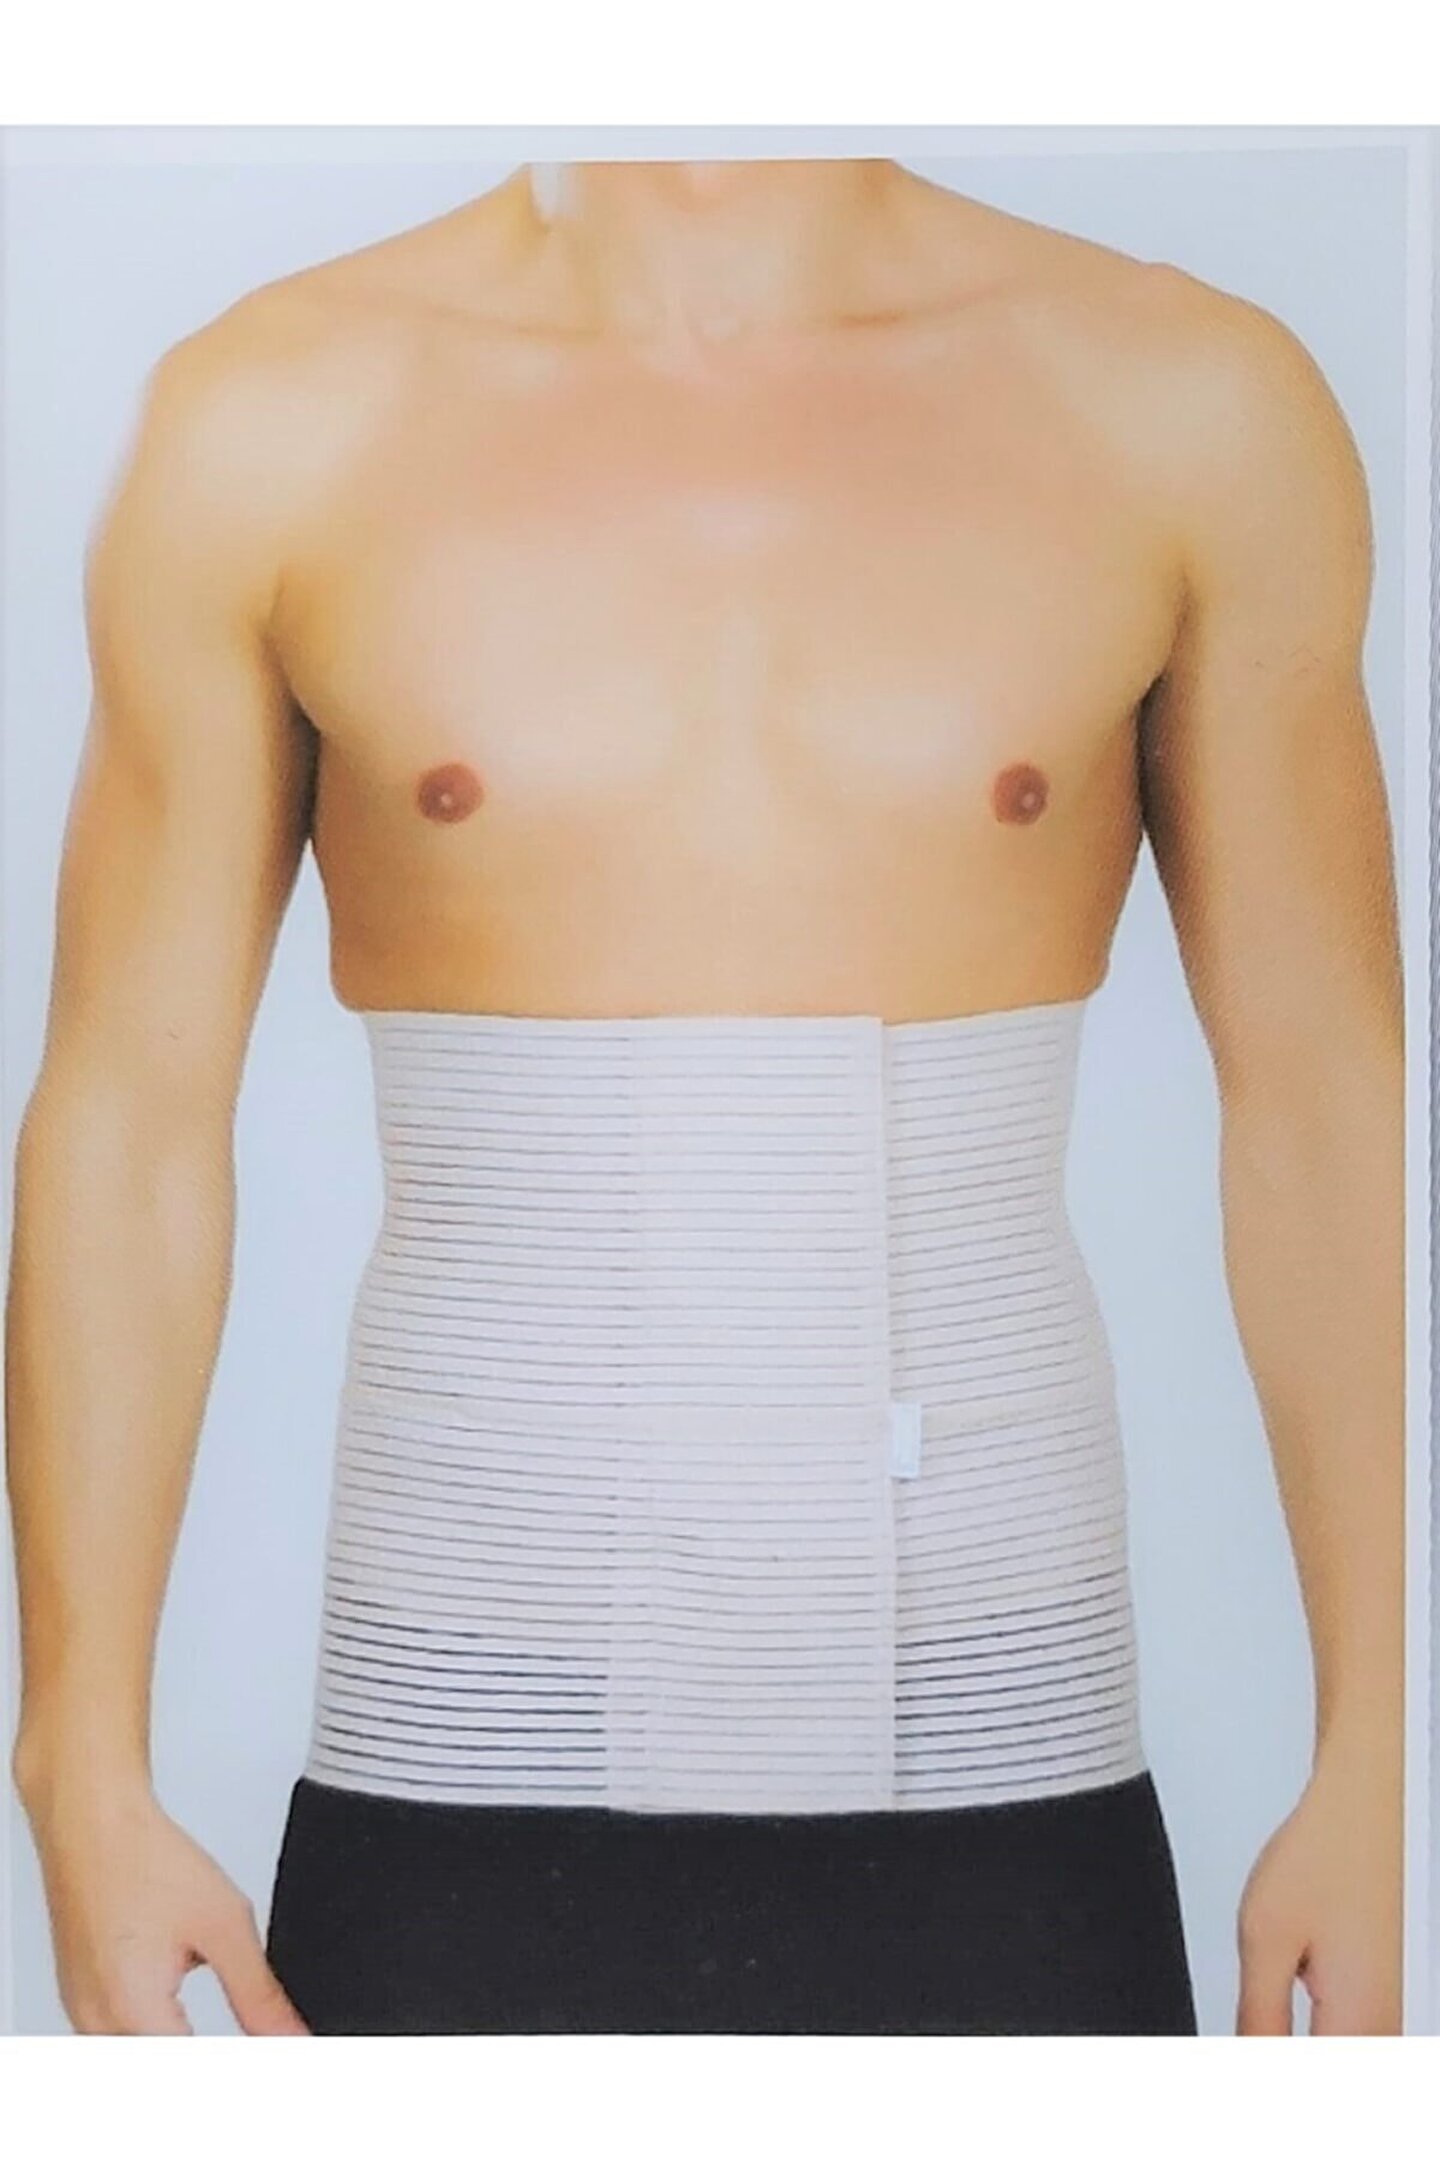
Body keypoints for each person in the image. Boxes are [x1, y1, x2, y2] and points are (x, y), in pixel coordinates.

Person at [4, 154, 1404, 2036]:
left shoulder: (1185, 403)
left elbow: (1324, 1101)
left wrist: (1385, 1746)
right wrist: (77, 1763)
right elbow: (129, 1124)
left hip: (1010, 1777)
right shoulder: (275, 419)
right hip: (453, 1777)